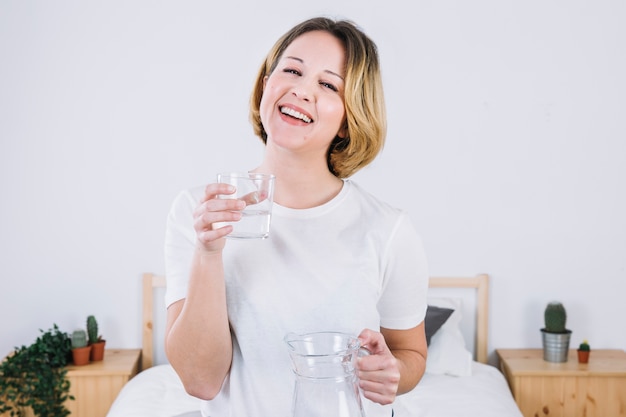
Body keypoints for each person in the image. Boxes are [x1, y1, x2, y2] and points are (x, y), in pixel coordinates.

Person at [164, 16, 429, 417]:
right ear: (266, 85)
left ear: (348, 120)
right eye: (291, 70)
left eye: (328, 85)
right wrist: (207, 253)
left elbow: (410, 354)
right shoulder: (197, 212)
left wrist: (394, 371)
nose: (301, 90)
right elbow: (200, 381)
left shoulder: (388, 229)